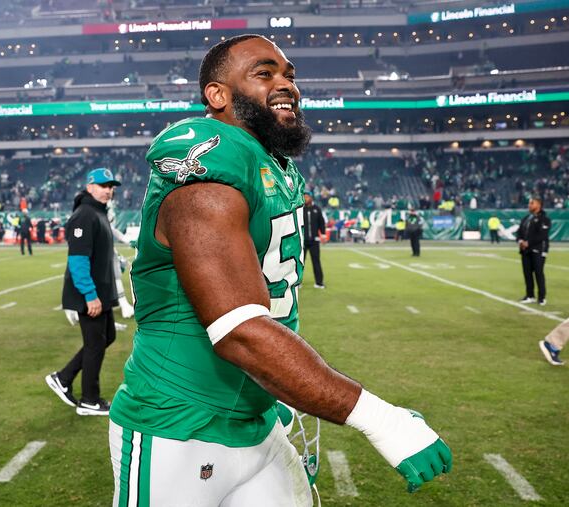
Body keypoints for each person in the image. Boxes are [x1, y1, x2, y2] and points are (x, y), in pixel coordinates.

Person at [109, 35, 451, 506]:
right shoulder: (207, 172)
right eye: (264, 73)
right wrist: (381, 419)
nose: (286, 84)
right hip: (180, 427)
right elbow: (239, 330)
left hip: (256, 417)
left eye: (289, 74)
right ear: (217, 94)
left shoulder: (270, 164)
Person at [46, 168, 120, 416]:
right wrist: (90, 295)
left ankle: (63, 378)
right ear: (90, 187)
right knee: (95, 343)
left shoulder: (99, 213)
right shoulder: (85, 215)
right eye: (103, 185)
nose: (109, 190)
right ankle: (89, 400)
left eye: (111, 186)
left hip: (101, 291)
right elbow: (78, 260)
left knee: (106, 337)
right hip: (90, 294)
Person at [517, 197, 550, 305]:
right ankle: (530, 295)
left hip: (538, 249)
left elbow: (542, 235)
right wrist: (520, 241)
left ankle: (542, 297)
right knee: (527, 273)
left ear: (538, 205)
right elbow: (519, 231)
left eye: (532, 203)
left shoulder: (544, 219)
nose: (529, 205)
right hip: (525, 250)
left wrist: (528, 243)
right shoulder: (526, 218)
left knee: (538, 273)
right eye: (529, 203)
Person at [302, 191, 326, 289]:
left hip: (314, 241)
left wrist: (323, 234)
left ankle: (319, 283)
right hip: (302, 241)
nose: (305, 199)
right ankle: (297, 283)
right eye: (304, 197)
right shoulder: (300, 209)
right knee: (300, 263)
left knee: (316, 261)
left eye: (307, 197)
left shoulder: (317, 209)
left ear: (311, 198)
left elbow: (321, 222)